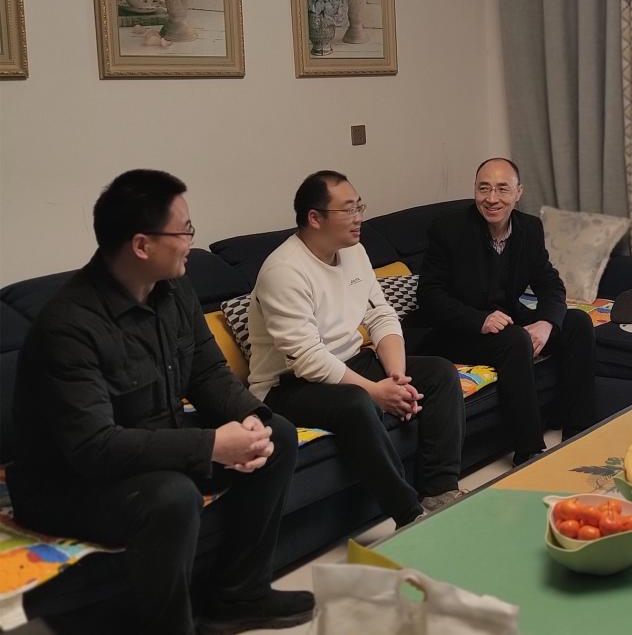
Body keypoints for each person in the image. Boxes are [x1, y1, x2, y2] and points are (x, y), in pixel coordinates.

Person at [8, 170, 314, 635]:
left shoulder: (173, 289)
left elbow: (207, 372)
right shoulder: (69, 327)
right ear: (141, 245)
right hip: (68, 483)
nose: (191, 241)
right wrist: (211, 446)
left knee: (278, 435)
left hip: (150, 444)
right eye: (183, 231)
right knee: (172, 496)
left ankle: (239, 595)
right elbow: (95, 447)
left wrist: (249, 418)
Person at [247, 170, 465, 529]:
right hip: (287, 385)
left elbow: (380, 314)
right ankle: (409, 516)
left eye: (359, 206)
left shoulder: (354, 252)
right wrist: (376, 392)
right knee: (357, 402)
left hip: (349, 361)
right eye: (348, 210)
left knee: (439, 373)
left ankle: (440, 490)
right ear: (314, 218)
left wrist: (396, 376)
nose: (359, 217)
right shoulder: (284, 271)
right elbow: (307, 359)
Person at [417, 157, 597, 466]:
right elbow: (429, 296)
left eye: (502, 189)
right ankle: (529, 451)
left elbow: (550, 285)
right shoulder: (448, 229)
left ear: (518, 192)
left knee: (577, 322)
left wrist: (546, 322)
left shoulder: (529, 228)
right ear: (475, 190)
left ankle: (579, 431)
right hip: (457, 330)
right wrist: (480, 320)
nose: (492, 198)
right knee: (516, 340)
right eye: (483, 188)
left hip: (507, 320)